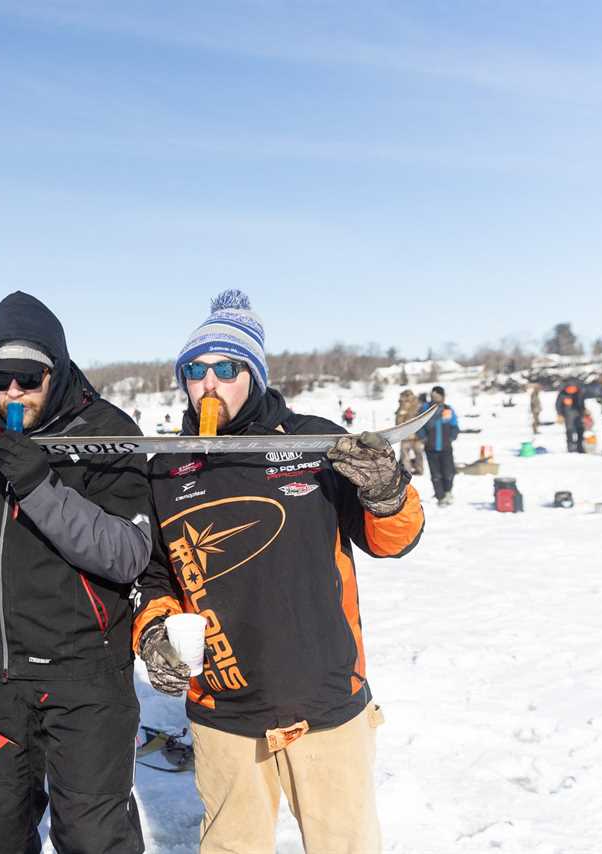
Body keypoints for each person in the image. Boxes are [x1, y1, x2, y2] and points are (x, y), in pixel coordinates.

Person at [134, 291, 425, 854]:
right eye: (195, 371)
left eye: (227, 368)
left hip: (325, 700)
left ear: (255, 375)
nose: (209, 384)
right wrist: (156, 634)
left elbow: (392, 541)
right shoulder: (167, 466)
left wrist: (388, 495)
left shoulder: (312, 441)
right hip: (225, 711)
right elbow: (155, 577)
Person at [0, 291, 152, 854]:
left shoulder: (107, 429)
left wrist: (38, 487)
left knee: (95, 838)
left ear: (58, 367)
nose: (14, 393)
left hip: (85, 675)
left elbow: (126, 552)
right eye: (0, 379)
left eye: (29, 376)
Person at [417, 385, 459, 506]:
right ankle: (440, 496)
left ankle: (448, 492)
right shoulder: (425, 408)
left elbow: (454, 425)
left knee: (449, 472)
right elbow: (419, 425)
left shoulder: (447, 409)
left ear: (443, 396)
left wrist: (452, 436)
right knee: (435, 474)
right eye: (433, 395)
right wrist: (424, 438)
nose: (436, 398)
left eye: (438, 395)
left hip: (446, 447)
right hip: (431, 448)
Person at [395, 388, 424, 475]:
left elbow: (420, 418)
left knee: (418, 454)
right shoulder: (401, 407)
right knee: (405, 456)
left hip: (416, 435)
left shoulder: (417, 405)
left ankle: (419, 469)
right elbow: (398, 423)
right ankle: (407, 471)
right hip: (405, 435)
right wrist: (402, 413)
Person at [555, 377, 586, 453]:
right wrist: (560, 414)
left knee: (580, 430)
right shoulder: (563, 394)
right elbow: (558, 405)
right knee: (570, 431)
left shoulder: (579, 392)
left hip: (578, 414)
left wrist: (584, 412)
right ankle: (571, 447)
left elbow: (581, 404)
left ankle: (580, 447)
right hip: (568, 414)